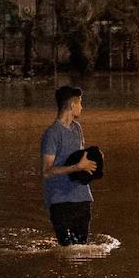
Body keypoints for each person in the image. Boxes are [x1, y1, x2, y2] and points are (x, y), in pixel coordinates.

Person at [40, 85, 98, 246]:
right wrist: (77, 167)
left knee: (81, 250)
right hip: (60, 201)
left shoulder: (77, 128)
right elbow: (46, 171)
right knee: (67, 250)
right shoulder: (51, 134)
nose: (82, 107)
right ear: (72, 105)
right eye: (80, 103)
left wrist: (95, 160)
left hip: (82, 199)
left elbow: (81, 159)